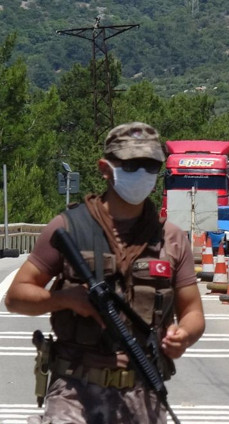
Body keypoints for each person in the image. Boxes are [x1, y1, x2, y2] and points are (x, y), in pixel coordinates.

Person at [4, 122, 205, 424]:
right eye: (131, 164)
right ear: (106, 168)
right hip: (75, 389)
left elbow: (192, 312)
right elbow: (16, 297)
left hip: (143, 392)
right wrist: (66, 299)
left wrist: (183, 335)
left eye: (150, 165)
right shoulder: (70, 228)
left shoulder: (171, 238)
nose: (142, 173)